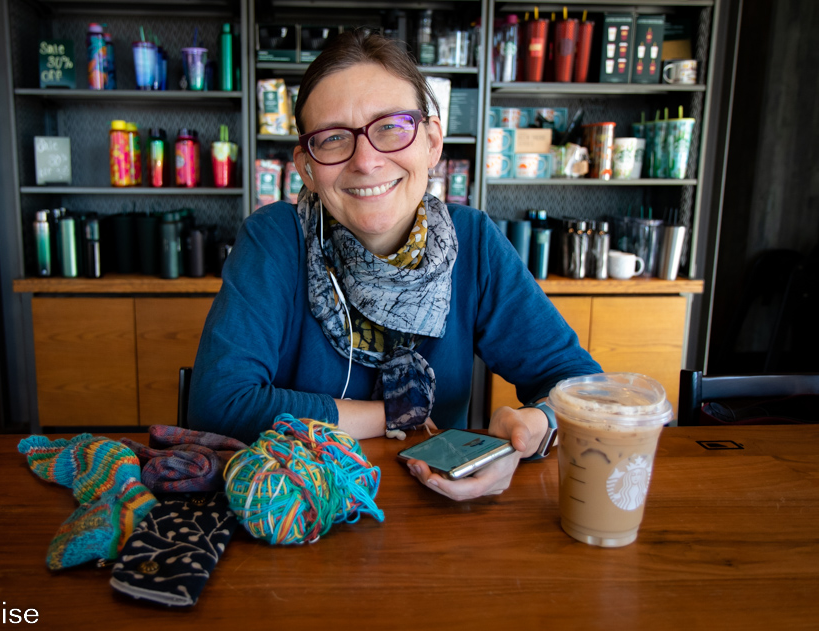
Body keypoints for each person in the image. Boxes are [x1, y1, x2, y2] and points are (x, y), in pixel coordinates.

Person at [189, 30, 601, 501]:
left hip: (433, 516)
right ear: (306, 167)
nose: (366, 161)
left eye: (390, 127)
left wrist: (533, 427)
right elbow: (218, 405)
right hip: (299, 510)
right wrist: (394, 414)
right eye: (333, 137)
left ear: (431, 141)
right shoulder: (276, 239)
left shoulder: (475, 242)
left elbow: (582, 388)